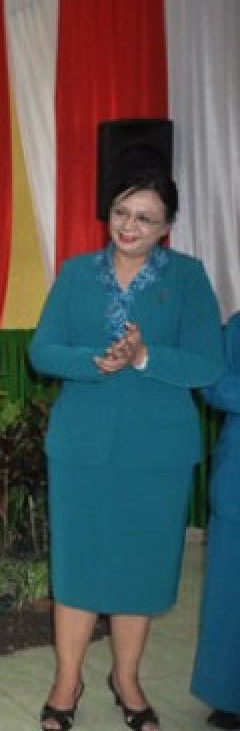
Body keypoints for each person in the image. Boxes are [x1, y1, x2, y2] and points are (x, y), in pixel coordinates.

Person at [29, 170, 223, 731]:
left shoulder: (187, 278)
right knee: (78, 568)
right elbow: (42, 351)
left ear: (167, 226)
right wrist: (96, 359)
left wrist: (144, 358)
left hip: (156, 453)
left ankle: (126, 679)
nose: (129, 226)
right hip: (81, 446)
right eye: (121, 212)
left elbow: (208, 364)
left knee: (140, 570)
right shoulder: (75, 273)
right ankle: (67, 682)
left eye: (144, 217)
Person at [193, 311, 240, 729]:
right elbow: (212, 383)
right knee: (231, 589)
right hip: (238, 481)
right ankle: (230, 693)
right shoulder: (237, 327)